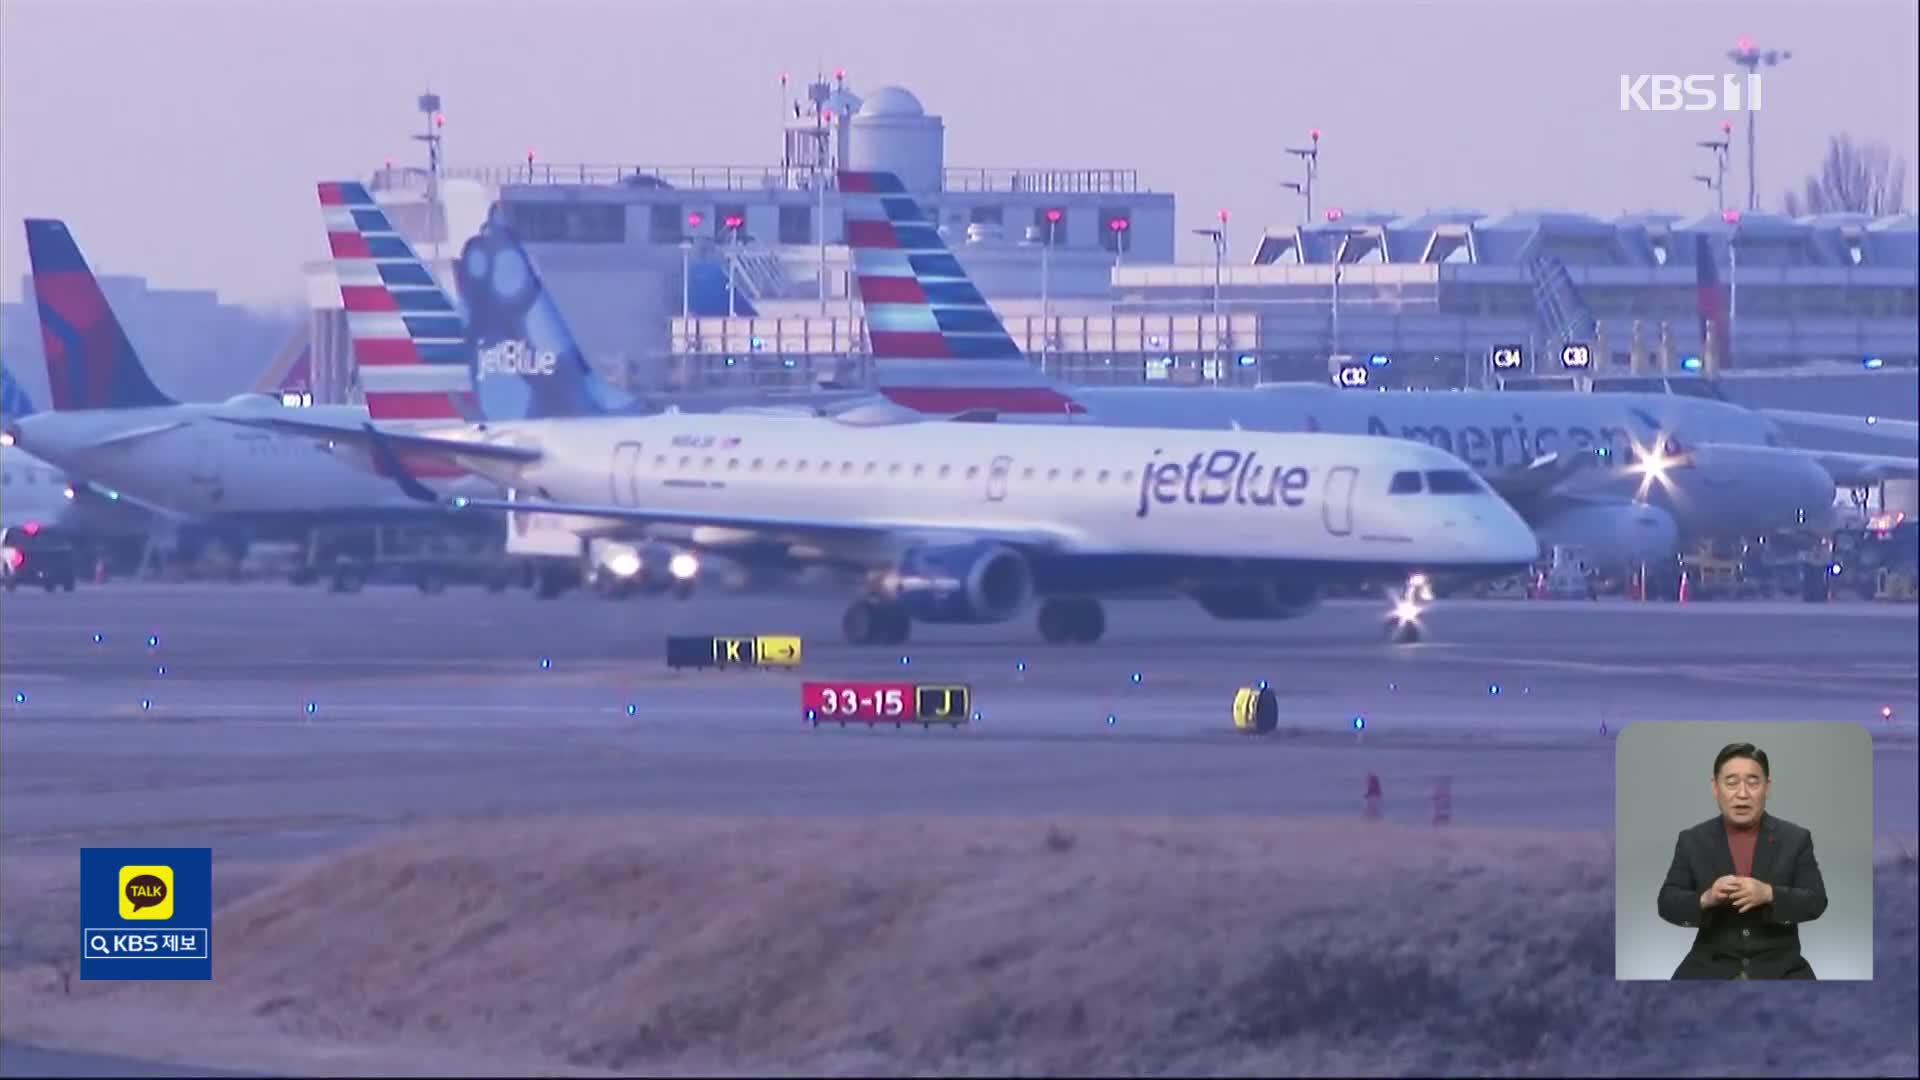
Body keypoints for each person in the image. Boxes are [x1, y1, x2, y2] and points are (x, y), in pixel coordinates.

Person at [1656, 741, 1828, 979]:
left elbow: (1816, 901)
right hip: (1709, 966)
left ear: (1767, 787)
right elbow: (1667, 903)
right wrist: (1707, 898)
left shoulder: (1795, 838)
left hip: (1781, 968)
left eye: (1753, 782)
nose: (1742, 793)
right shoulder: (1692, 840)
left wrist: (1769, 894)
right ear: (1715, 787)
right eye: (1731, 782)